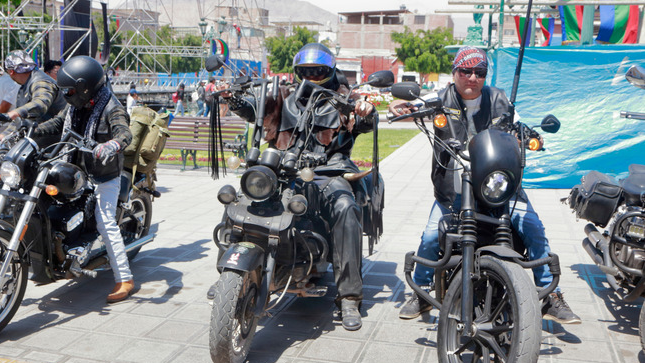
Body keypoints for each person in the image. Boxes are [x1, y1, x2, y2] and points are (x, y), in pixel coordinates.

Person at [390, 46, 581, 324]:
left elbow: (518, 126)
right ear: (455, 73)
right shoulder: (441, 98)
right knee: (432, 236)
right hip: (454, 188)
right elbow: (410, 108)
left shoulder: (499, 99)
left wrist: (529, 138)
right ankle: (421, 292)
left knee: (533, 228)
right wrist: (401, 107)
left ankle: (550, 295)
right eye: (465, 71)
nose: (472, 78)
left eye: (479, 72)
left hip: (498, 188)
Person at [218, 43, 376, 331]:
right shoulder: (284, 96)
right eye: (306, 71)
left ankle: (349, 298)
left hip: (327, 172)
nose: (312, 76)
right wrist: (235, 99)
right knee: (240, 197)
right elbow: (256, 109)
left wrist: (366, 111)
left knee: (345, 207)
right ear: (297, 71)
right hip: (282, 169)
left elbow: (362, 120)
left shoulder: (346, 98)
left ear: (330, 71)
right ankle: (227, 275)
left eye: (318, 72)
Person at [33, 56, 135, 303]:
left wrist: (112, 144)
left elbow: (124, 132)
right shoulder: (76, 106)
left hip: (103, 175)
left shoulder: (112, 107)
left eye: (69, 90)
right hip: (74, 169)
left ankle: (125, 279)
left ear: (84, 87)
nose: (66, 94)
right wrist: (28, 129)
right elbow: (57, 124)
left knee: (105, 221)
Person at [0, 50, 66, 147]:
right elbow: (21, 121)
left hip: (56, 148)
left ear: (11, 71)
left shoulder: (41, 82)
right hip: (41, 145)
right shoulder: (26, 85)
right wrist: (1, 137)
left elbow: (40, 103)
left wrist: (13, 113)